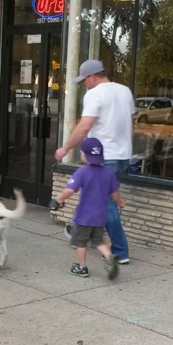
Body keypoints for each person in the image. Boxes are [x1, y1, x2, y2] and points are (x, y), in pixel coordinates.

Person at [55, 59, 135, 265]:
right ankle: (80, 231)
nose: (84, 84)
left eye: (84, 80)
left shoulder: (94, 94)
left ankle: (120, 252)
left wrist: (66, 148)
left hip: (105, 157)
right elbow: (128, 122)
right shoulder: (125, 91)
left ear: (92, 77)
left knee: (107, 204)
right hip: (123, 155)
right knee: (94, 194)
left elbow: (84, 126)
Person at [50, 138, 125, 279]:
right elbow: (114, 193)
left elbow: (70, 191)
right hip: (100, 217)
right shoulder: (108, 173)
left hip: (84, 216)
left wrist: (58, 199)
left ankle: (82, 267)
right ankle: (109, 257)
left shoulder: (82, 172)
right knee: (98, 241)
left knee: (80, 242)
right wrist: (120, 203)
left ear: (84, 154)